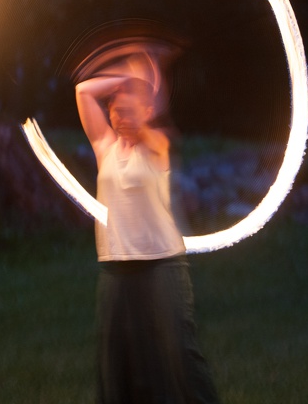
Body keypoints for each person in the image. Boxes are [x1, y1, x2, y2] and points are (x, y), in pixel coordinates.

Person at [74, 42, 219, 404]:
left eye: (130, 111)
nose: (122, 118)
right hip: (116, 271)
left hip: (161, 268)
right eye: (116, 111)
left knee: (177, 361)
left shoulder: (158, 145)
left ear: (147, 110)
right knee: (118, 364)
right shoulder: (104, 147)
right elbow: (82, 90)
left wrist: (143, 78)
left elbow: (148, 114)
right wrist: (124, 77)